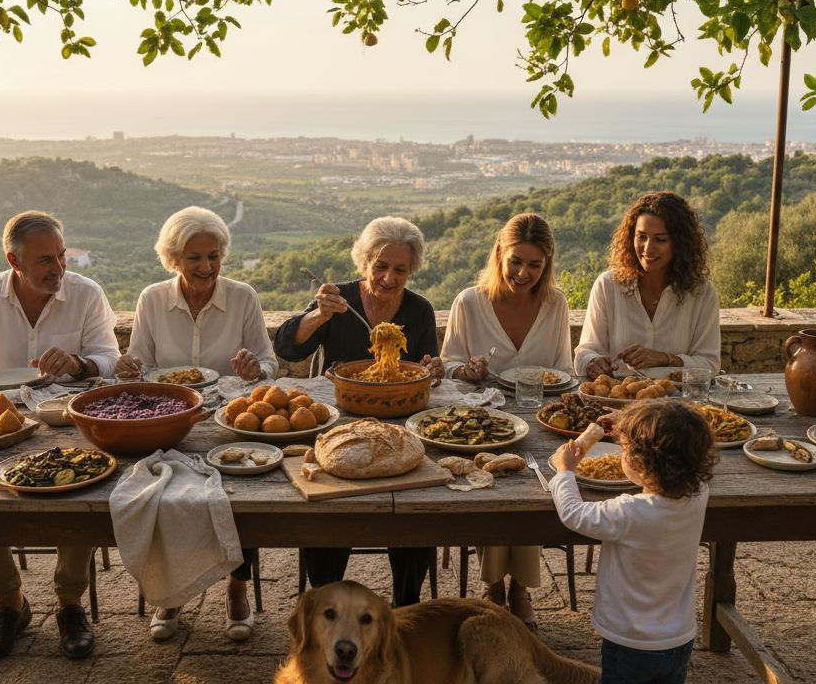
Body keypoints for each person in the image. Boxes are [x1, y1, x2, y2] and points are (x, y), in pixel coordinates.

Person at [0, 210, 120, 662]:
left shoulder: (86, 294)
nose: (58, 269)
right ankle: (10, 605)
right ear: (14, 261)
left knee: (81, 489)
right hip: (1, 427)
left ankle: (69, 604)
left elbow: (110, 358)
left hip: (65, 422)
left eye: (61, 256)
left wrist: (79, 364)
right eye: (44, 261)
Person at [118, 206, 277, 642]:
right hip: (167, 421)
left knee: (240, 499)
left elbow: (269, 362)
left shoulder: (242, 296)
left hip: (228, 421)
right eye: (194, 258)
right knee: (163, 500)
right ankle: (169, 595)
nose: (206, 267)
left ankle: (237, 589)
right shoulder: (152, 299)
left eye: (213, 256)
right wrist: (131, 369)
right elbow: (143, 364)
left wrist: (254, 369)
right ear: (174, 260)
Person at [274, 216, 443, 606]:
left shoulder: (418, 310)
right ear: (363, 262)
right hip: (341, 421)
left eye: (400, 269)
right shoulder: (339, 300)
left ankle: (407, 606)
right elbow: (287, 347)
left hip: (401, 424)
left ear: (411, 270)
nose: (388, 277)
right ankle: (326, 599)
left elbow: (423, 368)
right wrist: (318, 315)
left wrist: (434, 368)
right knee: (330, 511)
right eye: (380, 266)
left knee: (417, 512)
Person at [441, 213, 570, 629]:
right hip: (480, 420)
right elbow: (448, 367)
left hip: (538, 418)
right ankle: (500, 586)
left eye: (535, 265)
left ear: (547, 263)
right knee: (492, 483)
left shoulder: (555, 303)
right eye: (516, 261)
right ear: (499, 255)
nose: (523, 273)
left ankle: (514, 588)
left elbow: (564, 371)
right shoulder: (470, 302)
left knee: (532, 486)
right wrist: (467, 370)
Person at [549, 400, 715, 684]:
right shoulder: (699, 495)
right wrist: (628, 423)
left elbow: (574, 514)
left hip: (629, 642)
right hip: (678, 637)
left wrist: (565, 472)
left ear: (638, 463)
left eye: (624, 448)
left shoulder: (628, 512)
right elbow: (680, 440)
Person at [574, 191, 720, 379]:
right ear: (630, 237)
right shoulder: (607, 286)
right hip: (617, 402)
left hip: (677, 404)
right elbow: (584, 353)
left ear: (680, 243)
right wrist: (592, 363)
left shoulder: (702, 293)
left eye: (660, 239)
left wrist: (665, 359)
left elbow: (710, 365)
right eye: (641, 237)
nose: (648, 248)